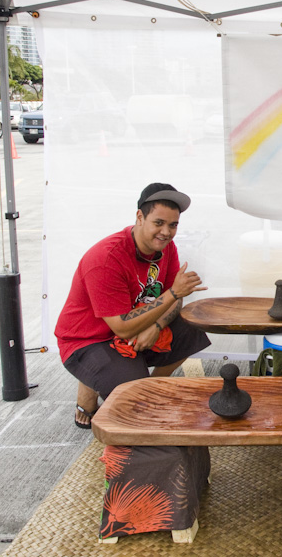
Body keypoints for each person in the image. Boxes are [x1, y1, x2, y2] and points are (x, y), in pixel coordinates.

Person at [55, 183, 210, 429]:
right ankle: (91, 388)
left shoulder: (166, 248)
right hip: (88, 340)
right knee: (136, 404)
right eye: (158, 223)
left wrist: (157, 325)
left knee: (191, 328)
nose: (166, 232)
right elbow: (124, 327)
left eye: (173, 225)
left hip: (131, 329)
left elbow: (177, 300)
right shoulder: (106, 258)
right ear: (140, 217)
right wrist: (172, 293)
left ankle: (152, 389)